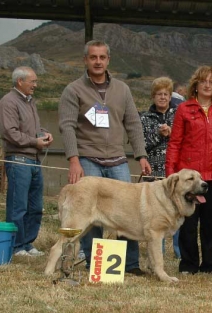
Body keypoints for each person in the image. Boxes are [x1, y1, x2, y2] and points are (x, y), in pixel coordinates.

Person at [59, 40, 151, 276]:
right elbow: (67, 126)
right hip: (88, 159)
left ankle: (130, 265)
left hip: (118, 161)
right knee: (89, 214)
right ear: (85, 60)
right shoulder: (73, 90)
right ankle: (94, 265)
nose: (97, 61)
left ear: (108, 60)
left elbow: (132, 123)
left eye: (102, 57)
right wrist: (73, 159)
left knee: (128, 213)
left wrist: (141, 155)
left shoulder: (122, 89)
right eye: (93, 57)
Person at [165, 65, 212, 275]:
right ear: (195, 84)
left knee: (210, 223)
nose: (207, 85)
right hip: (188, 178)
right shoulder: (184, 109)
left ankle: (210, 265)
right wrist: (171, 173)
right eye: (203, 81)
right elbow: (175, 142)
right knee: (188, 223)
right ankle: (188, 264)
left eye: (211, 82)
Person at [0, 66, 53, 257]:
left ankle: (28, 243)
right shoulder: (8, 102)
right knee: (18, 206)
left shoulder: (30, 102)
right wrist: (34, 141)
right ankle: (16, 246)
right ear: (20, 81)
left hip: (35, 161)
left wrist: (43, 133)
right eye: (33, 81)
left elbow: (30, 128)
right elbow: (10, 132)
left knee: (35, 206)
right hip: (19, 160)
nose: (35, 85)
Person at [140, 76, 180, 258]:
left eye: (166, 94)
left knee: (179, 211)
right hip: (154, 172)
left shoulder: (179, 114)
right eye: (158, 94)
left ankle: (180, 252)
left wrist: (172, 133)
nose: (162, 97)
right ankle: (158, 252)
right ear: (153, 96)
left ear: (171, 96)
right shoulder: (145, 118)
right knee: (157, 214)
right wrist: (159, 134)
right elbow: (142, 144)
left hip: (177, 172)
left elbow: (185, 139)